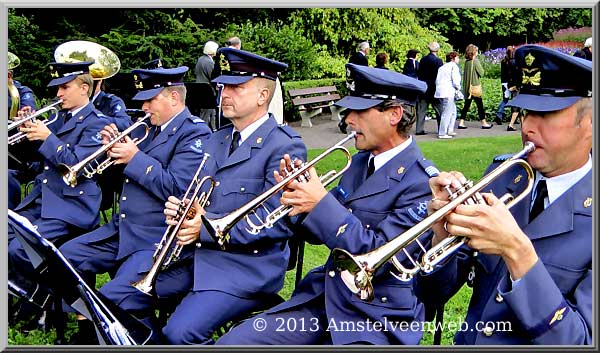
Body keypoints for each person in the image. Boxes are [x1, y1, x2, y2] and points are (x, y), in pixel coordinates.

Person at [216, 63, 439, 345]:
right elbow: (315, 230)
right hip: (325, 299)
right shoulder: (360, 163)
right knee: (234, 343)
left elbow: (379, 260)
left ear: (394, 115)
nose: (349, 120)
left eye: (359, 111)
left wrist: (320, 203)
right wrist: (296, 197)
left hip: (375, 315)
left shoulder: (422, 183)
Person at [415, 44, 592, 345]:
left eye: (545, 114)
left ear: (589, 123)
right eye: (525, 112)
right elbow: (432, 295)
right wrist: (440, 238)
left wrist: (518, 253)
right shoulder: (505, 177)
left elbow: (580, 341)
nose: (527, 127)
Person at [146, 48, 306, 344]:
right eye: (223, 86)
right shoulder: (216, 138)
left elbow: (278, 221)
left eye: (237, 87)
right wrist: (183, 210)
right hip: (201, 259)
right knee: (128, 296)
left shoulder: (283, 146)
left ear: (262, 96)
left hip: (247, 268)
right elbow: (201, 196)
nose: (225, 93)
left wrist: (205, 229)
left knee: (180, 333)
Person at [8, 61, 110, 294]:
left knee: (19, 251)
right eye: (58, 88)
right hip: (41, 202)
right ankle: (30, 295)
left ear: (84, 88)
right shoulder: (57, 118)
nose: (58, 94)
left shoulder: (99, 123)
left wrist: (47, 138)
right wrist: (25, 133)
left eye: (65, 87)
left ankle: (43, 297)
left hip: (71, 207)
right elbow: (34, 165)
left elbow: (78, 166)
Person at [339, 40, 371, 133]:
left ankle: (346, 122)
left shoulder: (353, 56)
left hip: (352, 84)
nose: (368, 51)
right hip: (359, 85)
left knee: (354, 105)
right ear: (365, 49)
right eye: (368, 49)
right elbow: (364, 73)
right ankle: (345, 122)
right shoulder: (363, 59)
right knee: (357, 105)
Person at [458, 44, 492, 129]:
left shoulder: (467, 62)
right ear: (473, 52)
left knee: (466, 105)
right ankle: (484, 122)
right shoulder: (475, 61)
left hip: (467, 87)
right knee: (480, 105)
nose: (477, 52)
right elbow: (481, 73)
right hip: (475, 86)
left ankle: (461, 122)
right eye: (476, 51)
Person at [416, 41, 443, 135]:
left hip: (424, 87)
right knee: (439, 110)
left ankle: (419, 129)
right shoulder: (438, 61)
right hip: (434, 88)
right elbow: (440, 76)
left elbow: (419, 73)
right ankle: (442, 129)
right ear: (438, 50)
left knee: (422, 109)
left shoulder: (423, 60)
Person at [434, 51, 461, 139]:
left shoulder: (442, 67)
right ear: (453, 58)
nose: (458, 59)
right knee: (447, 112)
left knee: (453, 111)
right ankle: (442, 133)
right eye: (457, 57)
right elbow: (456, 80)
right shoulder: (454, 67)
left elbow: (437, 80)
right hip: (448, 91)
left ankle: (449, 129)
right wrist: (458, 88)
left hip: (441, 91)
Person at [194, 40, 219, 130]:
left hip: (200, 88)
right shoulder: (209, 62)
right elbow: (213, 77)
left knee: (210, 113)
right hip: (207, 90)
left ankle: (213, 129)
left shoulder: (200, 59)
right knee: (206, 114)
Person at [495, 46, 520, 129]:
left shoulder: (504, 61)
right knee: (511, 100)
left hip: (503, 82)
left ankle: (511, 117)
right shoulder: (513, 62)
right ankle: (499, 114)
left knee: (505, 99)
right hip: (510, 83)